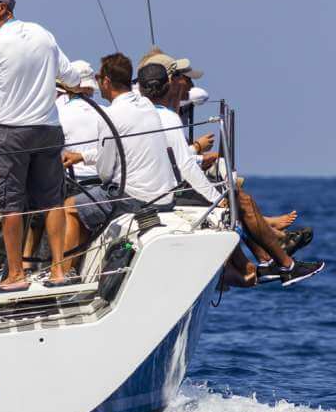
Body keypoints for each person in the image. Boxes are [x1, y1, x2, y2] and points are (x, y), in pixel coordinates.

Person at [136, 57, 324, 287]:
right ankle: (286, 265)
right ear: (168, 84)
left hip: (142, 192)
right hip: (162, 195)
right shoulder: (166, 117)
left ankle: (268, 261)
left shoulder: (129, 114)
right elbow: (184, 165)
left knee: (236, 196)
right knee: (237, 200)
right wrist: (215, 198)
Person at [0, 0, 86, 292]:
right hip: (48, 129)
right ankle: (59, 272)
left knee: (10, 204)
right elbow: (71, 78)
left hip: (13, 133)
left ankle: (16, 274)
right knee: (52, 201)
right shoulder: (44, 35)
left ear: (2, 9)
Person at [60, 53, 177, 272]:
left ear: (105, 81)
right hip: (165, 196)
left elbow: (105, 174)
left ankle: (63, 274)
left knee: (70, 207)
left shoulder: (110, 116)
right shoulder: (145, 105)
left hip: (134, 199)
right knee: (88, 202)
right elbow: (127, 146)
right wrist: (83, 156)